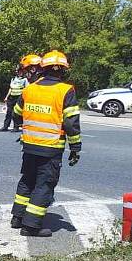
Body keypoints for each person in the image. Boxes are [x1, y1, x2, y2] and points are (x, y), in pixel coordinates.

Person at [10, 50, 81, 237]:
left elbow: (16, 113)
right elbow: (71, 122)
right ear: (63, 71)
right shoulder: (66, 90)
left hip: (29, 146)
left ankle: (17, 218)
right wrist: (75, 147)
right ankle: (31, 226)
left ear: (43, 68)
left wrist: (26, 128)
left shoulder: (30, 88)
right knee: (44, 185)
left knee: (27, 180)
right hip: (51, 148)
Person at [0, 59, 31, 131]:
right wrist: (6, 97)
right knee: (8, 112)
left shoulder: (25, 79)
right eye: (19, 72)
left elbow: (27, 89)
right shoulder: (13, 79)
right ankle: (5, 126)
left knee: (15, 113)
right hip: (11, 97)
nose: (20, 73)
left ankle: (16, 127)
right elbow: (11, 88)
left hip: (18, 98)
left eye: (21, 72)